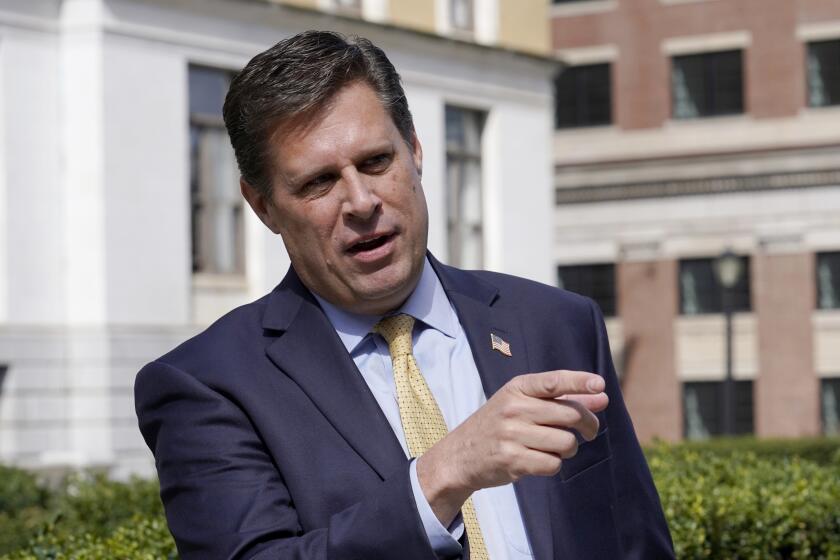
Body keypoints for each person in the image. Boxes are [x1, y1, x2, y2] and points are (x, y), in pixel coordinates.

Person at [135, 30, 674, 560]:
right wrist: (441, 477)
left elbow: (636, 541)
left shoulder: (557, 323)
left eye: (375, 162)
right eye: (319, 182)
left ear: (414, 150)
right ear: (263, 207)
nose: (361, 201)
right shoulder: (205, 384)